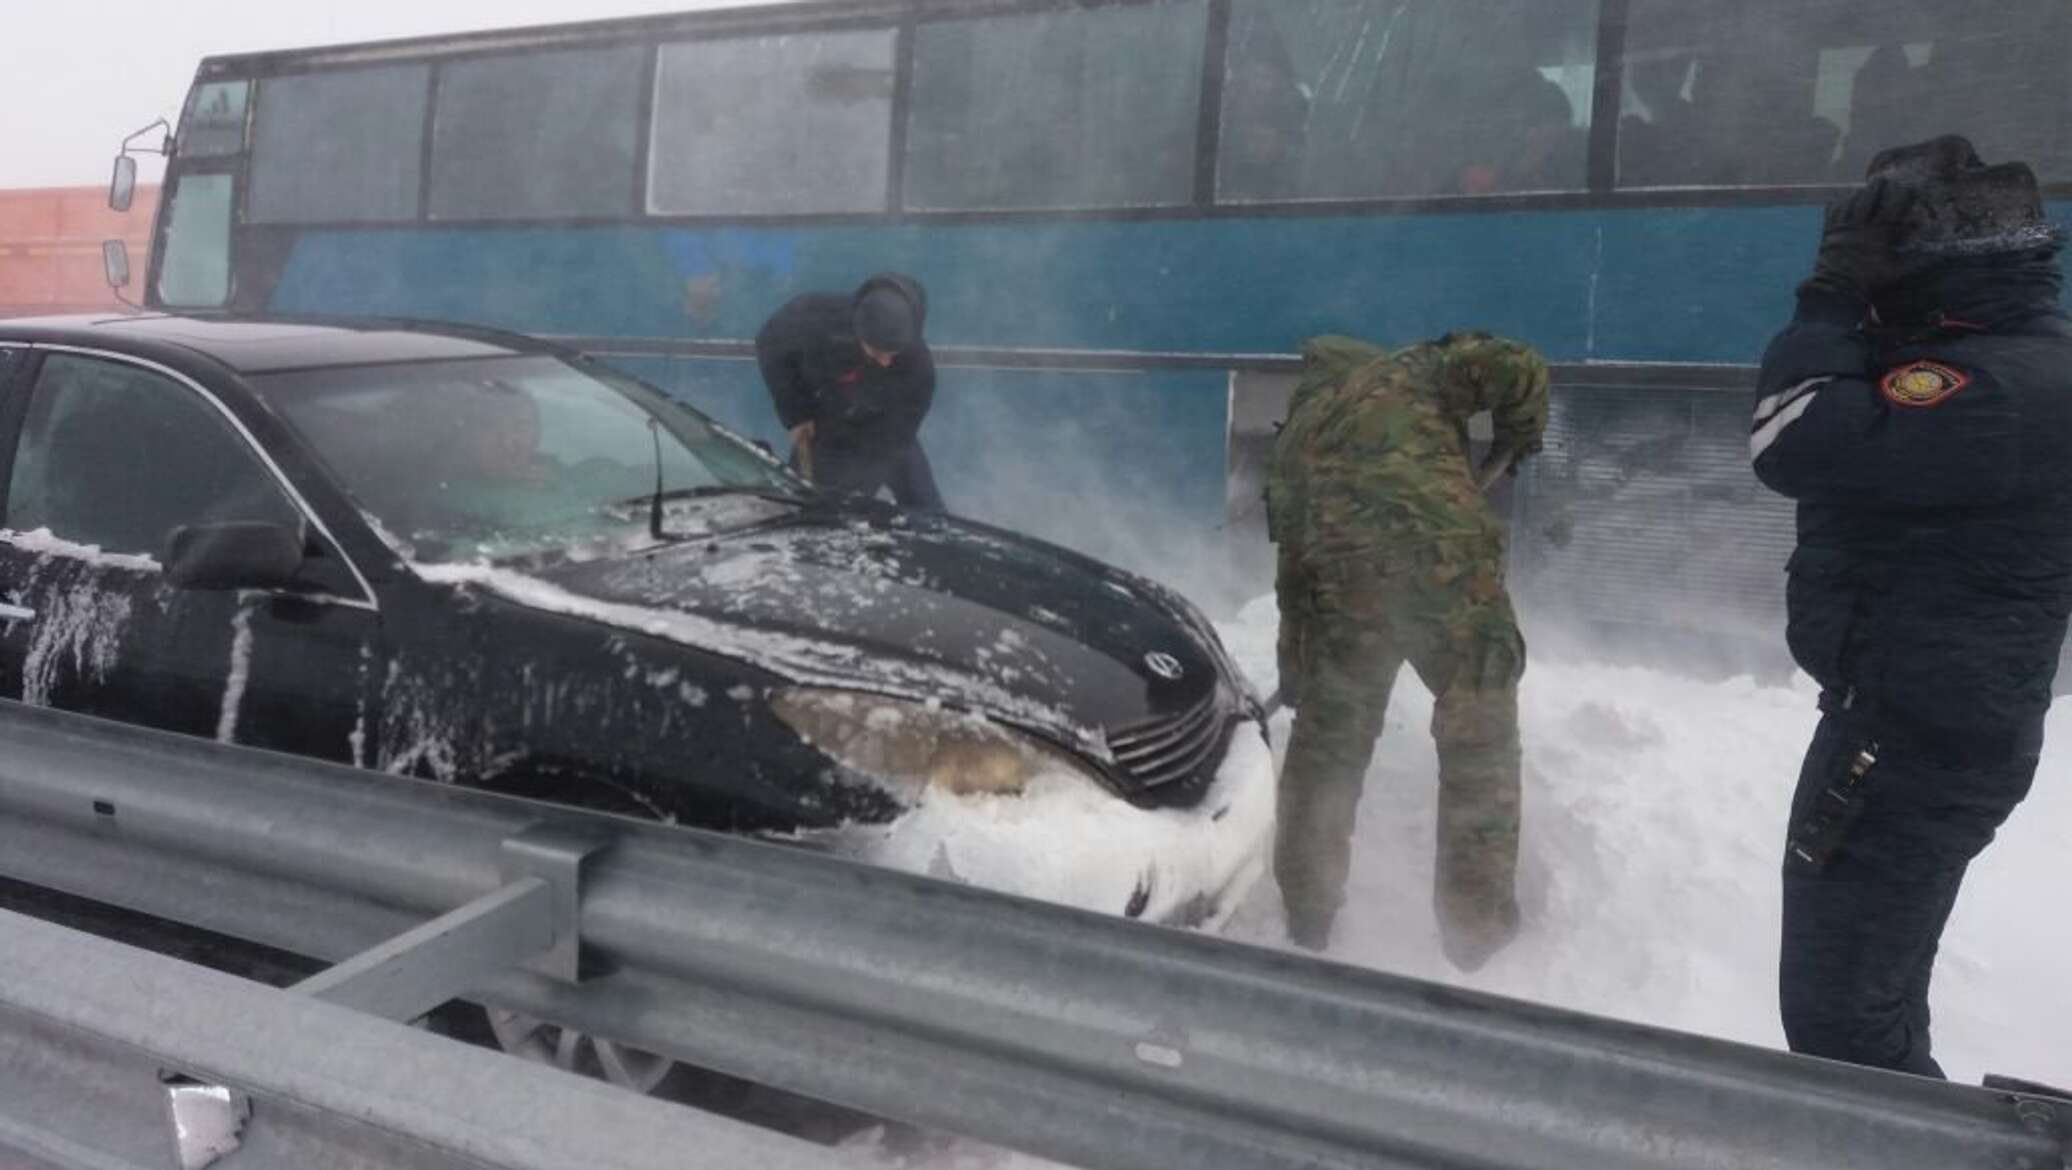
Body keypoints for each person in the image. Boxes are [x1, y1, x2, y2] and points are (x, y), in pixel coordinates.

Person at [1750, 135, 2072, 1076]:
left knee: (1843, 1027)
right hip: (1915, 722)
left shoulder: (2000, 389)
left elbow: (1793, 438)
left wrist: (1829, 300)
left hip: (1911, 744)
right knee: (1863, 1014)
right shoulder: (2011, 357)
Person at [1266, 330, 1549, 969]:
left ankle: (1307, 917)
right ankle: (1477, 930)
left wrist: (1297, 673)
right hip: (1445, 572)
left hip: (1344, 590)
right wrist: (1518, 433)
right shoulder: (1415, 371)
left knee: (1326, 749)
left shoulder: (1294, 440)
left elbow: (1292, 577)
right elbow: (1517, 364)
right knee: (1478, 739)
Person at [754, 273, 942, 510]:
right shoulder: (814, 317)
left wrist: (860, 489)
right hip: (824, 429)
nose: (885, 362)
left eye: (892, 355)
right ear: (858, 331)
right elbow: (771, 346)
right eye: (876, 352)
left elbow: (896, 439)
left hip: (885, 434)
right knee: (809, 511)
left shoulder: (919, 369)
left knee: (926, 513)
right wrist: (795, 413)